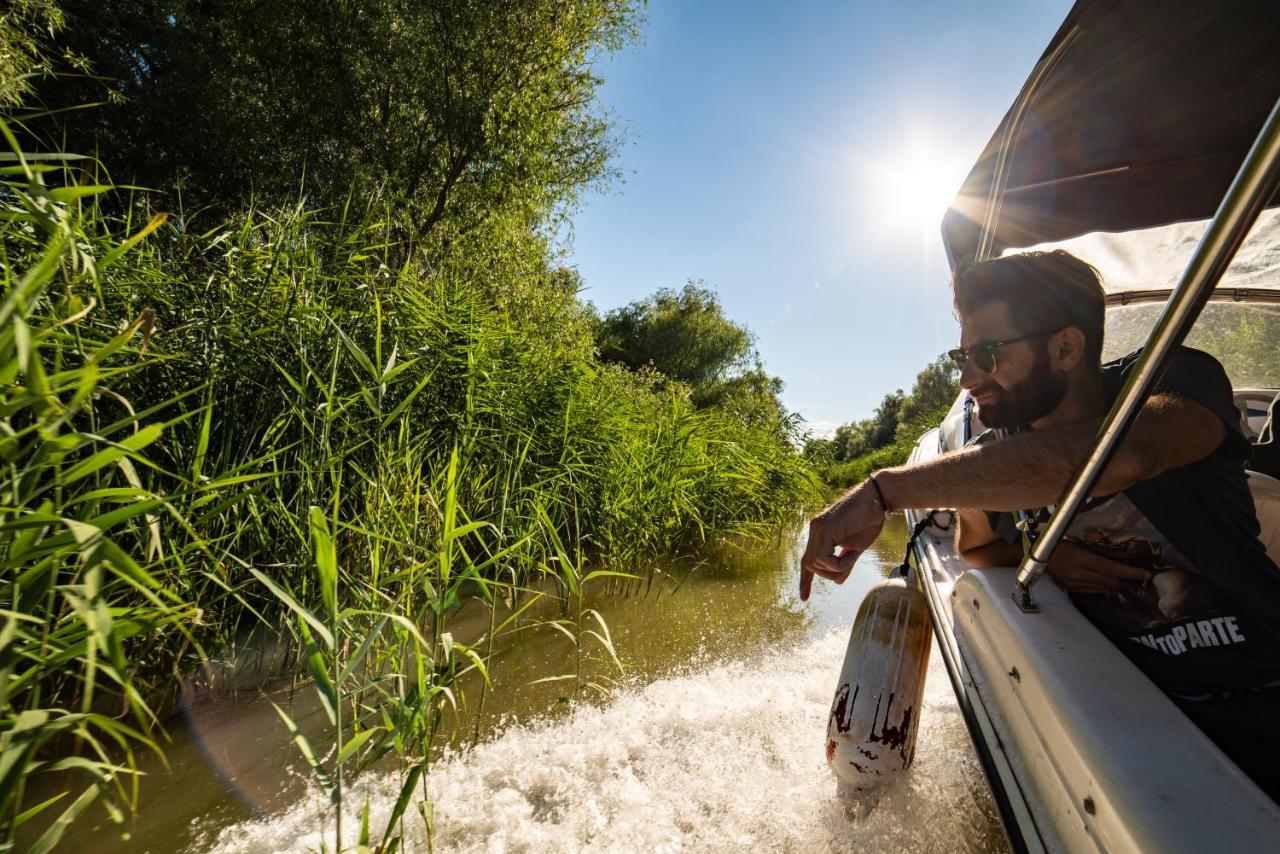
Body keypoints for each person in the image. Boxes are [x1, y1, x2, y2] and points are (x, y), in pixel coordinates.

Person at [800, 250, 1280, 800]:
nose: (966, 377)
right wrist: (1048, 557)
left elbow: (1123, 456)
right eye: (962, 354)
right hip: (1144, 709)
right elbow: (976, 546)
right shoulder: (995, 455)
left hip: (1264, 675)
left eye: (986, 354)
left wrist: (884, 491)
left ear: (1066, 347)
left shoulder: (1176, 381)